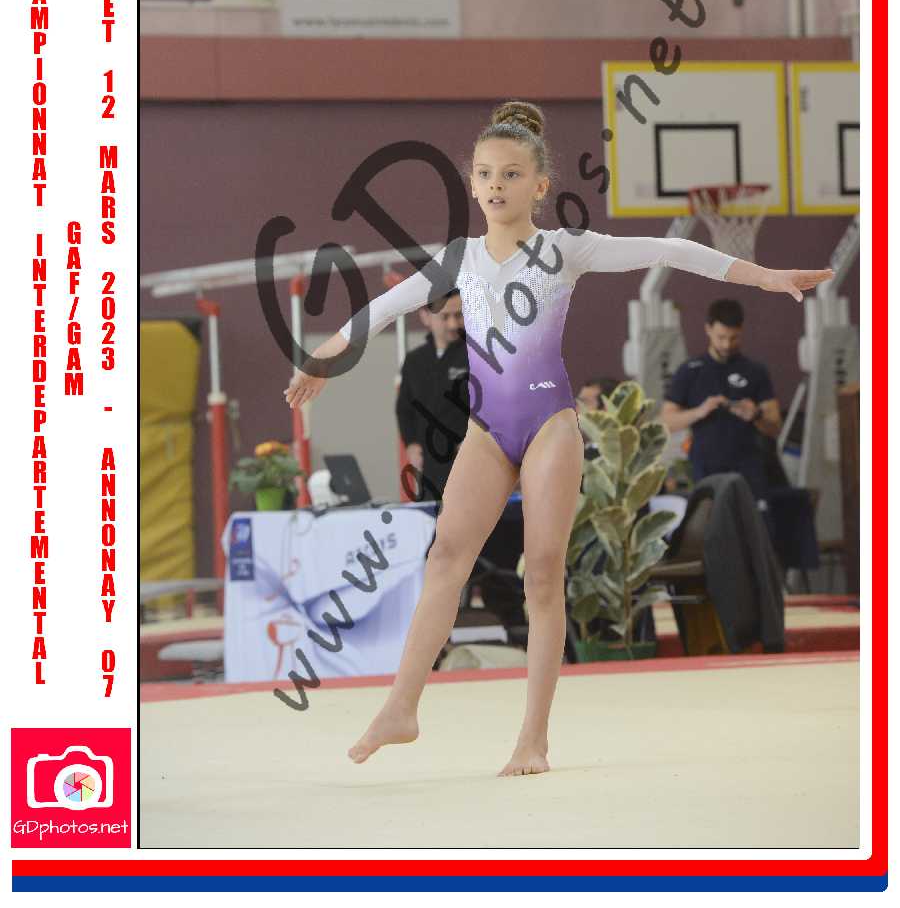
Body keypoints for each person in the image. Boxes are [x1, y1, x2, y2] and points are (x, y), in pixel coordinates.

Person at [284, 100, 834, 776]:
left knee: (543, 574)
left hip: (549, 426)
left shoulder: (564, 249)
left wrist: (766, 277)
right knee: (445, 558)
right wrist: (322, 360)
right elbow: (379, 311)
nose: (495, 185)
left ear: (540, 186)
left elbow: (669, 250)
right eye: (485, 174)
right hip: (486, 431)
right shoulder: (459, 259)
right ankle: (402, 706)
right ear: (472, 183)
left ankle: (533, 739)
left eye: (511, 175)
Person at [660, 299, 783, 501]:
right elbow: (666, 422)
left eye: (733, 338)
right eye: (721, 337)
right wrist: (699, 412)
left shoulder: (755, 371)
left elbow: (775, 426)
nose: (726, 344)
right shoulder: (690, 371)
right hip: (706, 467)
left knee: (754, 519)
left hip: (748, 466)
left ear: (741, 330)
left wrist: (755, 414)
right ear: (708, 329)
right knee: (713, 519)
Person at [395, 289, 469, 503]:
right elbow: (404, 409)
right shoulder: (414, 361)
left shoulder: (476, 355)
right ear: (426, 316)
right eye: (445, 317)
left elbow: (492, 408)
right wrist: (411, 443)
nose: (453, 324)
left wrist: (474, 442)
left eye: (459, 315)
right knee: (430, 517)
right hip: (429, 466)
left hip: (468, 460)